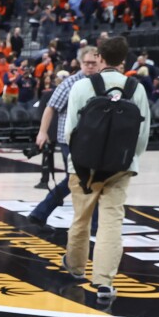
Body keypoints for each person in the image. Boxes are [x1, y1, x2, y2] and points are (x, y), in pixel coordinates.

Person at [62, 36, 151, 300]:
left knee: (81, 218)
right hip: (120, 167)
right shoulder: (136, 88)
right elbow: (143, 135)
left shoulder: (81, 86)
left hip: (83, 167)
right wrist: (128, 160)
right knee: (111, 221)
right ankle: (103, 282)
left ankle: (76, 267)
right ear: (123, 60)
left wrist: (81, 159)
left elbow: (69, 131)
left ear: (99, 57)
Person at [28, 46, 101, 228]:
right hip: (69, 139)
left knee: (82, 178)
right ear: (80, 63)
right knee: (81, 177)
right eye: (87, 63)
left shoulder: (102, 83)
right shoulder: (70, 83)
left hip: (93, 140)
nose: (90, 66)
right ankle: (93, 223)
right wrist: (43, 132)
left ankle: (41, 212)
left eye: (93, 63)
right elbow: (50, 107)